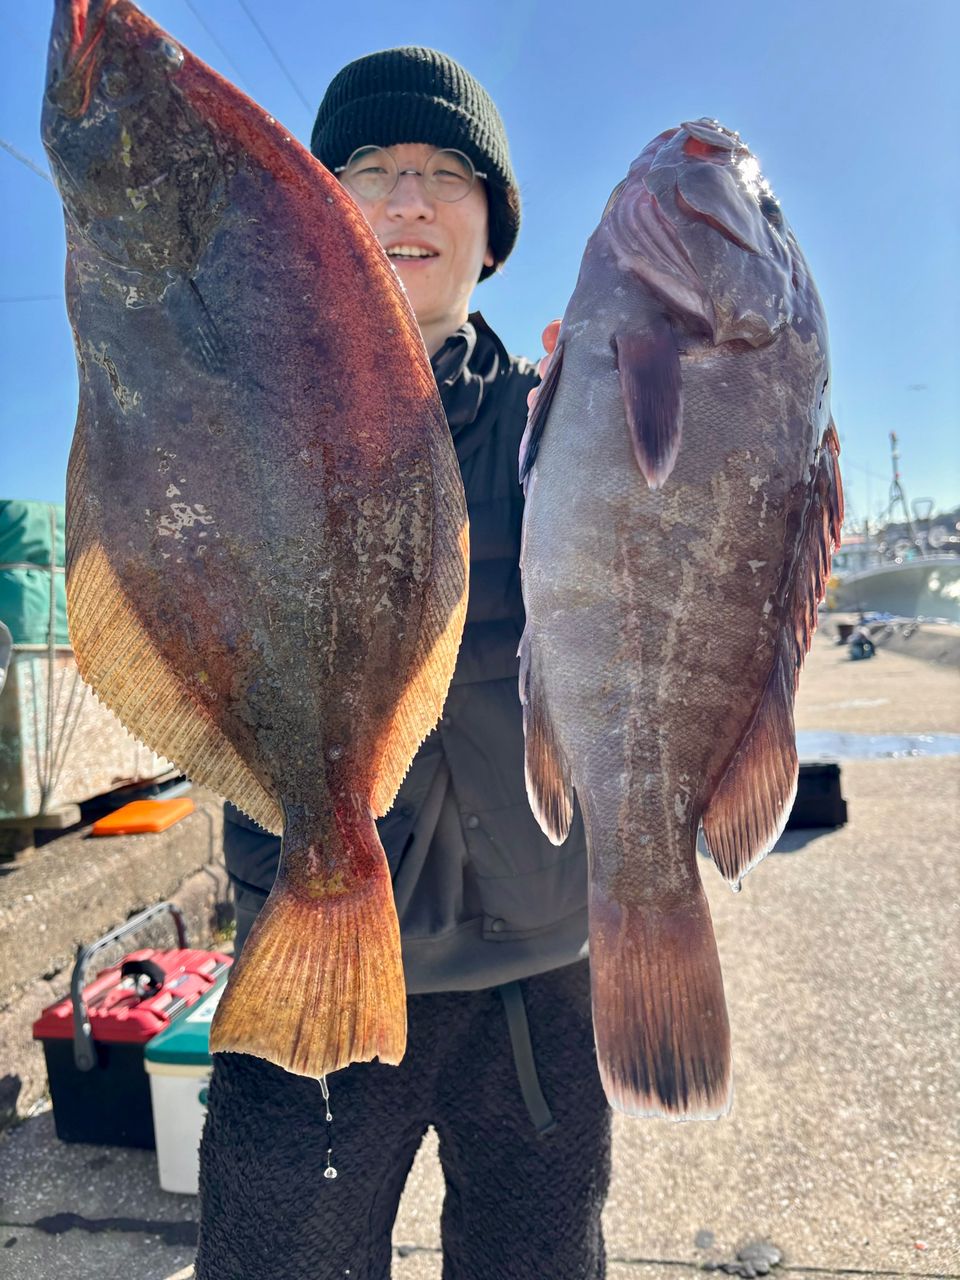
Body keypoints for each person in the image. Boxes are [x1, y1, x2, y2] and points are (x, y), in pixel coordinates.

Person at [195, 47, 611, 1280]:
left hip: (538, 970)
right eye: (369, 170)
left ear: (495, 232)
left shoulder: (566, 422)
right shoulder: (237, 413)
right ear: (315, 216)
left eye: (445, 173)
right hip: (309, 950)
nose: (407, 199)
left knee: (538, 1254)